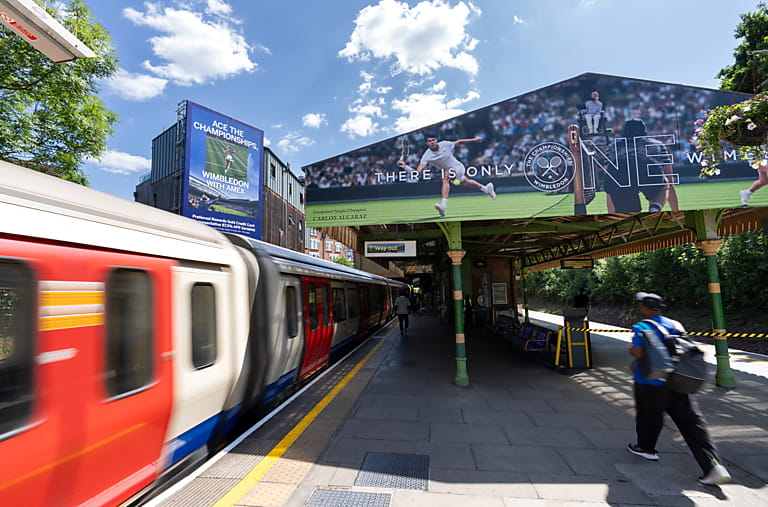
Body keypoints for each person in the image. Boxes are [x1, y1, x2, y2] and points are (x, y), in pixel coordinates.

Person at [627, 292, 731, 486]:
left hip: (650, 382)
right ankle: (713, 466)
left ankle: (646, 448)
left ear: (644, 308)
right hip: (677, 381)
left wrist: (632, 352)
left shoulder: (641, 326)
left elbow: (639, 352)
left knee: (649, 416)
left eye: (640, 304)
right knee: (692, 423)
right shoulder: (675, 324)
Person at [398, 134, 496, 217]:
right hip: (453, 174)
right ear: (427, 144)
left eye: (433, 140)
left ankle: (443, 206)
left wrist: (474, 139)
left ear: (436, 140)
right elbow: (417, 172)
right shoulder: (426, 156)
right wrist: (406, 167)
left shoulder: (445, 144)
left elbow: (459, 142)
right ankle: (486, 189)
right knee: (467, 183)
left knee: (445, 177)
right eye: (429, 141)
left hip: (458, 167)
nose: (432, 142)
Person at [604, 119, 679, 213]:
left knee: (614, 191)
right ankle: (655, 207)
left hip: (621, 173)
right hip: (647, 167)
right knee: (664, 185)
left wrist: (612, 216)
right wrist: (676, 212)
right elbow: (669, 178)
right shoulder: (657, 145)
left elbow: (609, 178)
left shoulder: (612, 147)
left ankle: (617, 219)